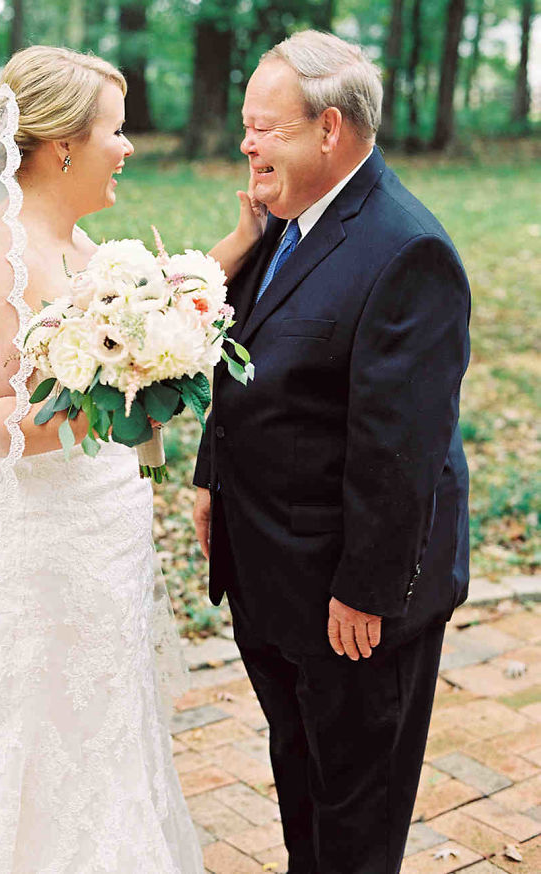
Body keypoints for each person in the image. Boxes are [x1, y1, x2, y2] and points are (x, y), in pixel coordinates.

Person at [0, 46, 261, 873]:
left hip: (98, 532)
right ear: (63, 144)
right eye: (117, 128)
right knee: (15, 720)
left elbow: (140, 323)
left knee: (98, 719)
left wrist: (234, 250)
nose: (130, 146)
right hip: (25, 545)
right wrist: (86, 392)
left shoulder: (81, 244)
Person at [193, 30, 471, 874]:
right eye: (246, 124)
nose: (247, 143)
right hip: (271, 570)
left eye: (265, 127)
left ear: (332, 130)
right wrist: (212, 479)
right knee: (301, 777)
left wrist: (365, 592)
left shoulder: (407, 251)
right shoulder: (278, 224)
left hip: (353, 603)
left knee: (358, 807)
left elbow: (400, 448)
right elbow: (243, 363)